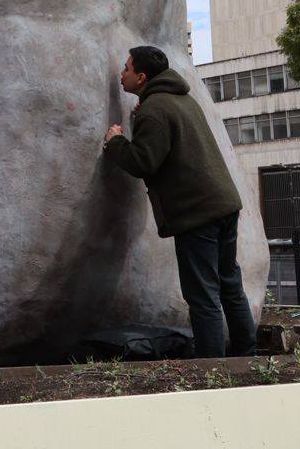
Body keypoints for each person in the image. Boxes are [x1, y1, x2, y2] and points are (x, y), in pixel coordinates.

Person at [102, 45, 255, 358]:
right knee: (229, 285)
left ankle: (213, 368)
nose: (122, 73)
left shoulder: (154, 110)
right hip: (223, 203)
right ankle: (247, 356)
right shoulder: (180, 100)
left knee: (202, 295)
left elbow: (144, 162)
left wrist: (115, 141)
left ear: (142, 77)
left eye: (127, 68)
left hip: (196, 212)